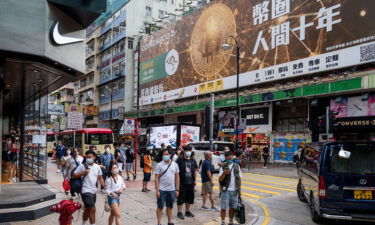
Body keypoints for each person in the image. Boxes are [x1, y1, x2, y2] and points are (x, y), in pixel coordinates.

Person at [73, 150, 105, 225]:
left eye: (90, 157)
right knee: (92, 208)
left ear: (94, 157)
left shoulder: (97, 167)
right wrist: (82, 173)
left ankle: (83, 223)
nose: (88, 159)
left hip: (94, 191)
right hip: (85, 190)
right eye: (87, 157)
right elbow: (73, 175)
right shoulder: (82, 166)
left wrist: (104, 186)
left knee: (88, 209)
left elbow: (100, 178)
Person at [155, 149, 180, 225]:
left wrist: (177, 189)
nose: (165, 156)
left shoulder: (175, 165)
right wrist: (157, 190)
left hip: (172, 190)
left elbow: (177, 177)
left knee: (170, 207)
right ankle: (159, 223)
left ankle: (169, 222)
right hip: (162, 190)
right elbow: (156, 178)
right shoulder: (159, 165)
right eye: (164, 154)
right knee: (160, 207)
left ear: (170, 155)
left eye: (166, 154)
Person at [219, 151, 242, 225]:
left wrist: (239, 191)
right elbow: (220, 179)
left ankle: (231, 221)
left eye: (230, 157)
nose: (229, 159)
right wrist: (224, 173)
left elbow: (239, 179)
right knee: (224, 207)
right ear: (225, 158)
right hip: (226, 190)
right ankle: (223, 222)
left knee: (232, 207)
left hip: (235, 190)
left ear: (232, 157)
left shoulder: (236, 166)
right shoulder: (223, 166)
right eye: (227, 158)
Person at [176, 145, 198, 220]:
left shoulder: (193, 160)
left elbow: (194, 170)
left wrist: (195, 180)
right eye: (187, 150)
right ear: (184, 151)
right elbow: (176, 172)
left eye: (189, 150)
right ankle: (179, 212)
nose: (188, 151)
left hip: (191, 182)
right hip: (182, 182)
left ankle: (187, 211)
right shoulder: (179, 160)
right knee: (181, 198)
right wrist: (176, 183)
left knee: (189, 198)